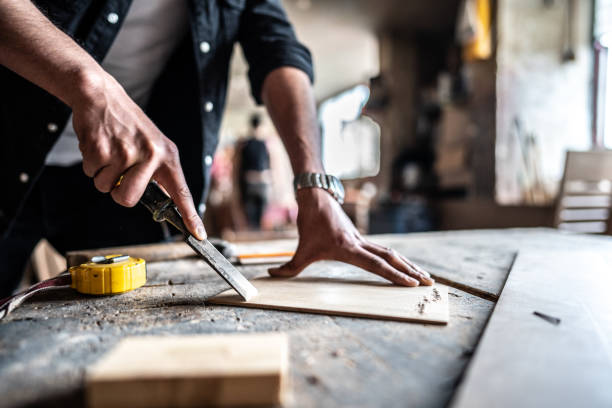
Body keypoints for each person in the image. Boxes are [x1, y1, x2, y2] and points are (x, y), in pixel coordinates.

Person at [0, 0, 433, 298]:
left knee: (134, 322)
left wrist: (314, 187)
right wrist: (90, 86)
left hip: (125, 180)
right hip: (9, 150)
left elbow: (279, 50)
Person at [238, 114, 271, 229]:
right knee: (252, 215)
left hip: (258, 181)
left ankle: (256, 230)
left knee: (257, 215)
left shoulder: (262, 144)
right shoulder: (247, 144)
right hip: (253, 182)